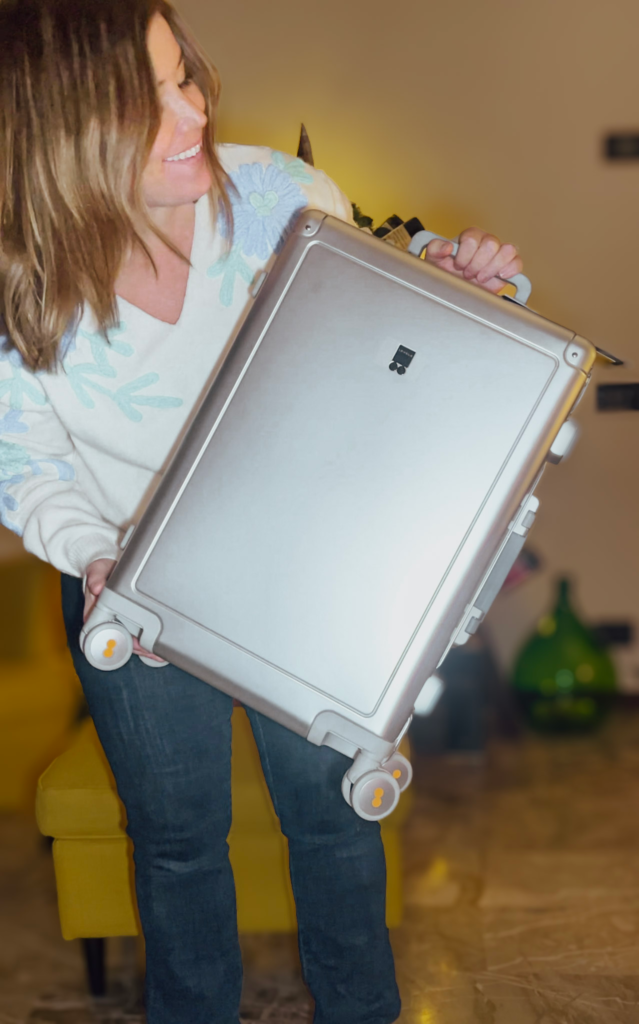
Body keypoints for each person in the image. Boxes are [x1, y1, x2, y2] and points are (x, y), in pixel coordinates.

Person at [0, 1, 524, 1021]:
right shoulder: (20, 285)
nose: (190, 109)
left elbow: (377, 372)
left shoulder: (284, 198)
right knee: (178, 844)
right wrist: (103, 561)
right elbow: (25, 468)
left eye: (182, 76)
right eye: (144, 101)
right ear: (59, 130)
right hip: (134, 589)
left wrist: (449, 297)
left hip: (301, 579)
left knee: (332, 825)